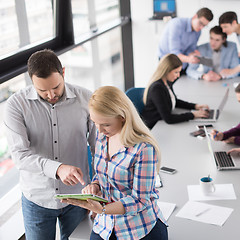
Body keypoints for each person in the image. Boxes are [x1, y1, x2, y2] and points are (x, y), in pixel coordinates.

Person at [4, 49, 96, 240]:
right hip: (37, 199)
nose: (51, 94)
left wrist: (99, 188)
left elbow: (100, 147)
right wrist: (58, 168)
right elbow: (20, 155)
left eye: (56, 87)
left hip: (78, 197)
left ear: (63, 72)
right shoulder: (16, 105)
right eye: (42, 90)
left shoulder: (86, 98)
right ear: (31, 81)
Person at [61, 86, 168, 240]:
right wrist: (95, 185)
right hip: (105, 224)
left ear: (122, 117)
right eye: (95, 123)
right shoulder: (103, 137)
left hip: (137, 228)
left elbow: (140, 200)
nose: (99, 129)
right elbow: (102, 174)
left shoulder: (143, 149)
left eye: (105, 124)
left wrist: (104, 209)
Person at [141, 54, 209, 129]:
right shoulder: (157, 88)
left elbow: (174, 101)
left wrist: (195, 106)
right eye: (176, 72)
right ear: (166, 71)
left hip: (161, 124)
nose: (178, 75)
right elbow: (169, 119)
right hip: (153, 127)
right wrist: (193, 115)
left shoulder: (166, 83)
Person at [158, 7, 213, 72]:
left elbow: (190, 50)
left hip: (182, 64)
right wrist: (190, 59)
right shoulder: (177, 24)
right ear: (195, 16)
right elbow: (174, 53)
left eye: (204, 26)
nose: (201, 27)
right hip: (167, 63)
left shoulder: (198, 31)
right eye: (200, 23)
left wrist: (193, 54)